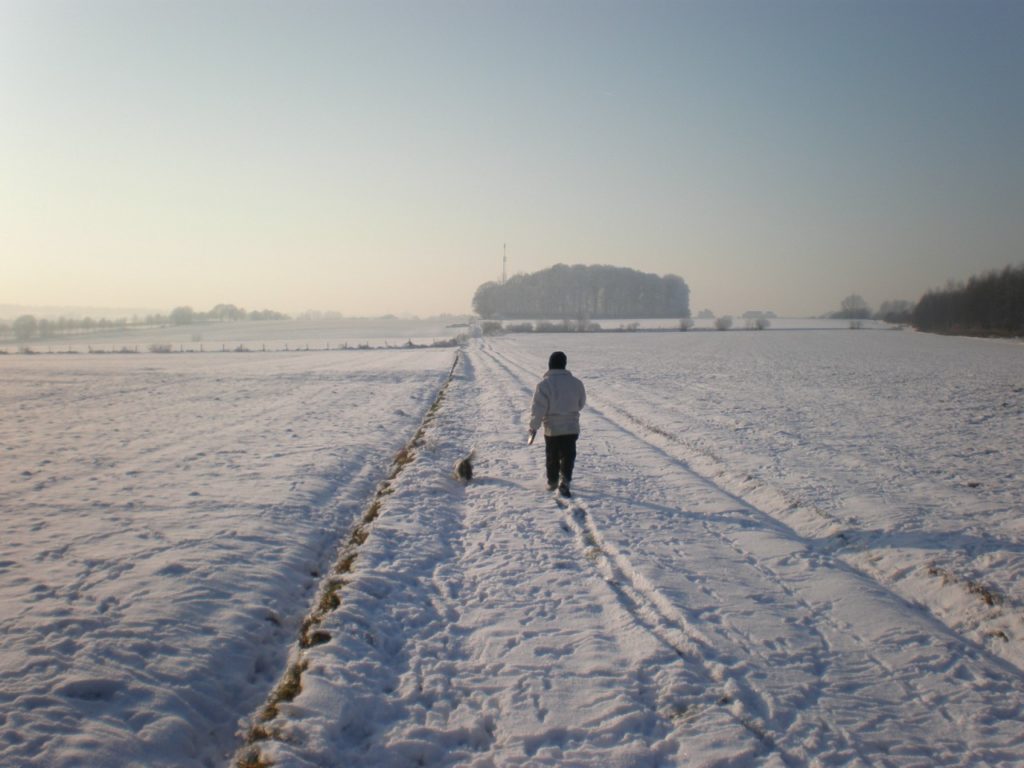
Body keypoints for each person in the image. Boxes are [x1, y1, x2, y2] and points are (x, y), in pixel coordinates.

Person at [529, 351, 587, 497]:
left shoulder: (544, 385)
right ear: (564, 365)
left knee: (552, 455)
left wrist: (533, 427)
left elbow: (538, 408)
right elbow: (581, 403)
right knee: (569, 455)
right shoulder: (577, 383)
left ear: (550, 365)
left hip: (552, 429)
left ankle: (552, 481)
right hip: (571, 427)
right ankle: (565, 480)